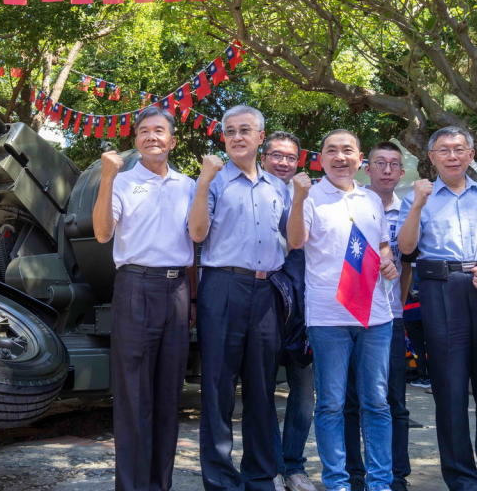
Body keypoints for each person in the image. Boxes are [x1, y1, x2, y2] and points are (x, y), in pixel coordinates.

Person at [397, 126, 477, 491]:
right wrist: (417, 204)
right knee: (449, 388)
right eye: (444, 150)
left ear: (471, 154)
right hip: (441, 290)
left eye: (459, 149)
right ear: (431, 158)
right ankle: (462, 479)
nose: (452, 156)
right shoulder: (417, 198)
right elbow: (405, 249)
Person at [288, 129, 398, 491]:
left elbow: (382, 246)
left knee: (376, 404)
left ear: (359, 157)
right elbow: (295, 241)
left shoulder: (370, 199)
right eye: (331, 150)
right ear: (319, 157)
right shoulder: (310, 195)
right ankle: (337, 482)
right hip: (328, 318)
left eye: (347, 150)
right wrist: (301, 197)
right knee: (331, 405)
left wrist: (388, 263)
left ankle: (380, 482)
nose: (339, 157)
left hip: (376, 317)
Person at [92, 106, 195, 491]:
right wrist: (106, 178)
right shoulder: (120, 181)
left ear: (172, 140)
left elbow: (197, 243)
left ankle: (160, 485)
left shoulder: (188, 185)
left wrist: (193, 299)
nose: (151, 137)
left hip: (177, 291)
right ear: (136, 140)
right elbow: (103, 233)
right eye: (143, 132)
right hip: (136, 287)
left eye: (159, 130)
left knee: (169, 397)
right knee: (135, 398)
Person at [189, 104, 290, 491]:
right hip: (223, 286)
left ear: (261, 138)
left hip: (268, 290)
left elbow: (296, 239)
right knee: (217, 386)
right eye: (229, 131)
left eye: (245, 130)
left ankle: (261, 476)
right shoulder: (213, 181)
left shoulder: (278, 187)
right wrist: (202, 181)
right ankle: (220, 480)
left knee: (263, 387)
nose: (237, 137)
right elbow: (197, 234)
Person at [345, 142, 412, 491]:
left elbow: (407, 265)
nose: (387, 170)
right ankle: (355, 474)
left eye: (394, 165)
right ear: (365, 167)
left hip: (389, 318)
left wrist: (395, 309)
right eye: (380, 163)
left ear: (401, 173)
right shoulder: (351, 205)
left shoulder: (408, 210)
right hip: (348, 316)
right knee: (351, 401)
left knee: (393, 400)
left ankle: (395, 474)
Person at [262, 132, 318, 491]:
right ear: (263, 156)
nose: (283, 162)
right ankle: (268, 465)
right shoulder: (251, 189)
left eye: (290, 157)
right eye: (276, 155)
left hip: (305, 301)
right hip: (264, 300)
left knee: (304, 391)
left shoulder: (313, 195)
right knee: (261, 388)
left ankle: (293, 465)